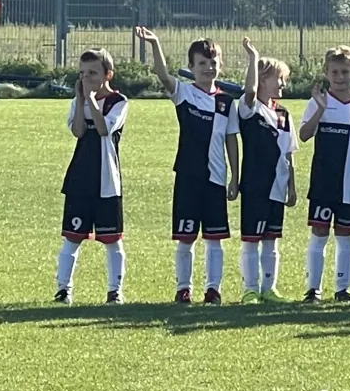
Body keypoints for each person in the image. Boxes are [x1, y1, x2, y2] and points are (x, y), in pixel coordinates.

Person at [135, 28, 241, 305]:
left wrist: (234, 176)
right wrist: (155, 44)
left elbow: (231, 139)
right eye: (202, 63)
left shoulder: (226, 102)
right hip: (188, 176)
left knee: (214, 239)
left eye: (213, 62)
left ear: (220, 64)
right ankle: (183, 288)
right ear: (191, 67)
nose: (208, 67)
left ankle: (213, 289)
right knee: (186, 238)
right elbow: (162, 75)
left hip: (216, 178)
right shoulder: (183, 93)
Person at [298, 47, 350, 302]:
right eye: (334, 72)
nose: (340, 77)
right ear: (326, 73)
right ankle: (313, 289)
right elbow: (304, 135)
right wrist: (320, 109)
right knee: (319, 233)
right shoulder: (318, 101)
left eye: (345, 72)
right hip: (323, 182)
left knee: (345, 236)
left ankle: (342, 289)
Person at [54, 48, 128, 304]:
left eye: (93, 73)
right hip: (80, 179)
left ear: (108, 75)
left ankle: (114, 290)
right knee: (72, 238)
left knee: (112, 240)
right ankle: (63, 288)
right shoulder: (79, 101)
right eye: (83, 73)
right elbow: (78, 131)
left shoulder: (119, 102)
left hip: (107, 181)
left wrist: (92, 101)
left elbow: (104, 128)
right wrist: (81, 100)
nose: (87, 78)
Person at [235, 38, 296, 304]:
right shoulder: (249, 108)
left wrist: (292, 186)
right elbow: (249, 91)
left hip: (278, 186)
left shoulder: (284, 113)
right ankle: (250, 289)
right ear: (262, 79)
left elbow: (289, 153)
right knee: (251, 239)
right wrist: (253, 58)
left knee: (272, 240)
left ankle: (269, 288)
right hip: (255, 184)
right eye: (278, 79)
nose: (282, 84)